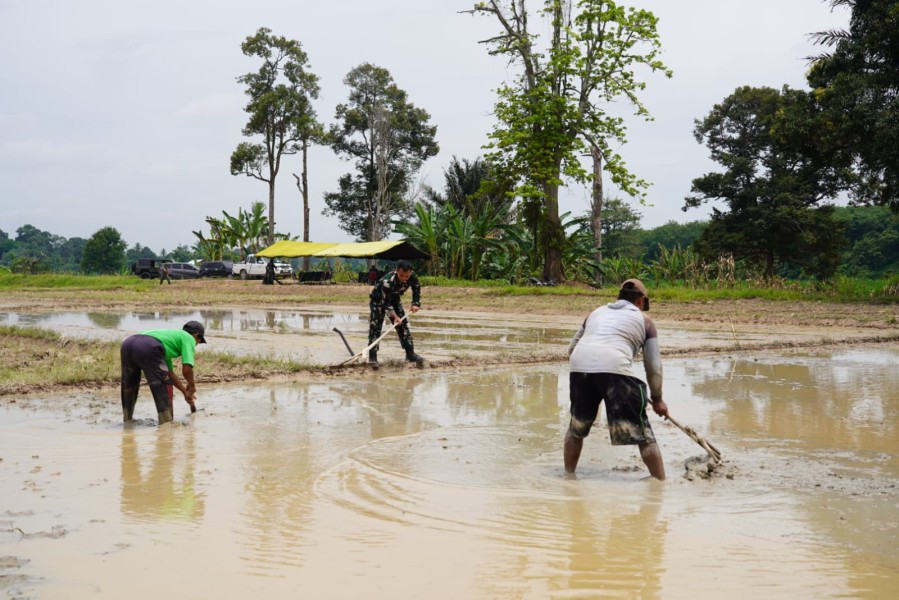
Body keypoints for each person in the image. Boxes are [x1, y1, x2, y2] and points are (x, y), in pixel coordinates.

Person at [564, 279, 669, 480]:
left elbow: (571, 349)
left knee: (576, 428)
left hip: (580, 368)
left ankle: (568, 476)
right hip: (615, 369)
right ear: (641, 301)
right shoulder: (645, 321)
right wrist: (658, 399)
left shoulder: (595, 313)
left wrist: (594, 371)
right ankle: (659, 483)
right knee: (643, 435)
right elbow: (654, 366)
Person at [120, 320, 207, 425]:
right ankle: (167, 424)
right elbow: (187, 369)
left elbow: (169, 373)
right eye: (199, 340)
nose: (197, 344)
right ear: (196, 335)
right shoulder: (189, 338)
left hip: (128, 343)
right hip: (149, 346)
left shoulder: (168, 341)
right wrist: (192, 385)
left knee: (129, 385)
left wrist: (185, 392)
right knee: (164, 385)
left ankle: (127, 422)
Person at [368, 259, 424, 367]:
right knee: (375, 327)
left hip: (394, 298)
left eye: (406, 276)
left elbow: (416, 287)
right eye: (401, 275)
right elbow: (385, 303)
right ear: (397, 271)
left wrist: (415, 303)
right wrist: (395, 316)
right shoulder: (388, 281)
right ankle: (372, 357)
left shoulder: (413, 276)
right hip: (378, 300)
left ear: (410, 273)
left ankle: (410, 354)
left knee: (402, 324)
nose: (404, 278)